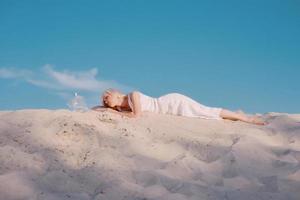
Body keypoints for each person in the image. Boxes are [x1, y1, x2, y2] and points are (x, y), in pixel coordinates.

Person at [92, 88, 267, 126]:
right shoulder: (123, 109)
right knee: (204, 114)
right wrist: (108, 110)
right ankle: (237, 114)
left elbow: (136, 116)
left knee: (205, 111)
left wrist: (110, 112)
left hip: (172, 103)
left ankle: (246, 118)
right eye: (105, 101)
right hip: (167, 110)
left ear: (116, 93)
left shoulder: (133, 95)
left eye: (107, 97)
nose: (106, 101)